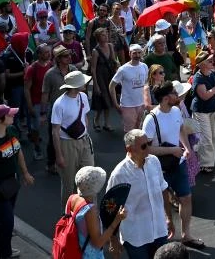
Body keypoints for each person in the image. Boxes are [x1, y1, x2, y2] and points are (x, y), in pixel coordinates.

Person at [143, 82, 203, 249]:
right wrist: (171, 150)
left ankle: (186, 235)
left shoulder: (176, 111)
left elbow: (181, 129)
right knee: (162, 201)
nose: (178, 95)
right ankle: (166, 231)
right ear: (166, 98)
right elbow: (145, 149)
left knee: (186, 197)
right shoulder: (151, 119)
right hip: (158, 167)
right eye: (174, 93)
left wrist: (187, 148)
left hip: (178, 163)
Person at [107, 129, 180, 259]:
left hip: (159, 231)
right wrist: (113, 239)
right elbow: (109, 209)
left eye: (148, 144)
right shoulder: (119, 174)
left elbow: (163, 190)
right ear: (129, 149)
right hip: (136, 237)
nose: (148, 149)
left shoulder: (154, 162)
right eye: (143, 146)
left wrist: (169, 218)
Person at [0, 104, 34, 259]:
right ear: (1, 120)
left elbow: (18, 151)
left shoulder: (12, 131)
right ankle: (5, 253)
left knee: (4, 217)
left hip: (11, 184)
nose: (13, 115)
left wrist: (25, 173)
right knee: (8, 221)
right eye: (9, 115)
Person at [51, 70, 95, 205]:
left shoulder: (82, 96)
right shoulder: (59, 104)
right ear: (76, 86)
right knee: (69, 183)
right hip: (67, 144)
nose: (85, 84)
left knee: (89, 178)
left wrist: (86, 136)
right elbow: (55, 131)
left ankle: (90, 210)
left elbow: (85, 118)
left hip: (84, 141)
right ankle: (68, 216)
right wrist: (59, 155)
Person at [68, 166, 126, 259]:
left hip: (75, 250)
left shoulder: (72, 198)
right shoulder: (90, 211)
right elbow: (98, 243)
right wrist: (117, 220)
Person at [41, 45, 78, 175]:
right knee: (54, 137)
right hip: (56, 111)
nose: (69, 58)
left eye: (69, 55)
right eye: (65, 56)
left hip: (73, 108)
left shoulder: (73, 70)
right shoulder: (50, 74)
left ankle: (73, 158)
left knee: (74, 133)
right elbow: (45, 94)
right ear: (58, 59)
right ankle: (51, 162)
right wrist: (43, 113)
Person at [190, 51, 215, 172]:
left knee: (214, 137)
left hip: (212, 109)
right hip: (201, 110)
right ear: (201, 64)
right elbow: (204, 96)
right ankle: (206, 163)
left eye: (212, 60)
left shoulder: (212, 74)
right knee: (206, 137)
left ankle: (210, 159)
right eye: (209, 61)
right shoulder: (198, 78)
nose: (212, 62)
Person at [110, 43, 149, 134]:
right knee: (130, 134)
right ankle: (129, 149)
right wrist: (116, 104)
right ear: (129, 54)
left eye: (139, 53)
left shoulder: (144, 66)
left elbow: (146, 84)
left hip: (141, 105)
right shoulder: (123, 69)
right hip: (127, 105)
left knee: (141, 131)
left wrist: (147, 101)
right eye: (134, 53)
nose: (137, 55)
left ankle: (138, 149)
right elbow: (112, 86)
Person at [88, 28, 119, 132]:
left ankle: (106, 123)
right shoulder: (95, 51)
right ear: (98, 37)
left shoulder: (110, 46)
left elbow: (114, 60)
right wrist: (95, 85)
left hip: (109, 75)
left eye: (106, 34)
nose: (105, 36)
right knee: (102, 99)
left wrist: (117, 65)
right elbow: (93, 69)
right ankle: (96, 120)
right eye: (102, 35)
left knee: (109, 99)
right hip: (100, 77)